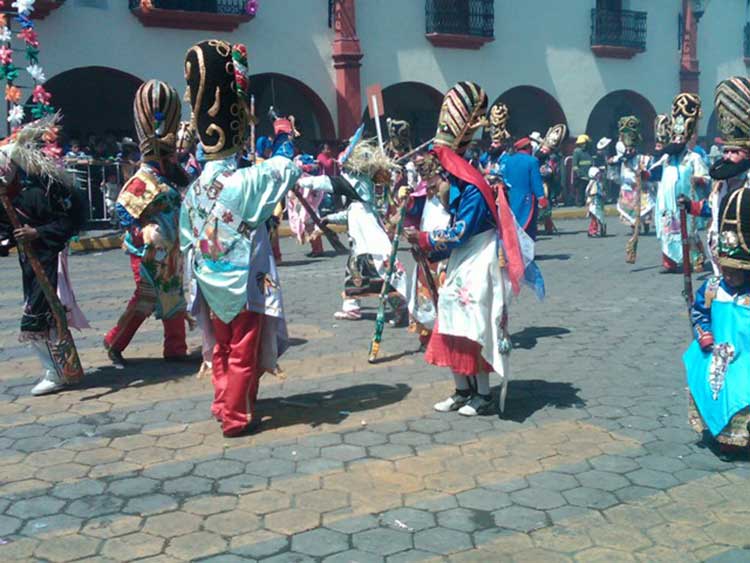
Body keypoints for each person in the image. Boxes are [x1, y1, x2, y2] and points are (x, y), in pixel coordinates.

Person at [180, 40, 302, 437]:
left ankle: (223, 403)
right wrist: (283, 135)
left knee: (220, 347)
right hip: (243, 284)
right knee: (243, 352)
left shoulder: (195, 188)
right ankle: (235, 417)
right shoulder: (244, 181)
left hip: (210, 280)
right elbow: (286, 169)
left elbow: (187, 243)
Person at [404, 81, 525, 417]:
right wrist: (426, 247)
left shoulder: (472, 189)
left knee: (475, 322)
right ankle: (461, 390)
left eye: (437, 178)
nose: (433, 185)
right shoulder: (458, 187)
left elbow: (460, 232)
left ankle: (483, 395)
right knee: (450, 317)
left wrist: (427, 241)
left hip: (480, 259)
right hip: (462, 260)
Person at [103, 80, 190, 368]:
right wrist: (142, 232)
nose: (176, 155)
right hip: (147, 253)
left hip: (171, 250)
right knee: (146, 299)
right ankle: (114, 342)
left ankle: (176, 349)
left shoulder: (167, 177)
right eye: (171, 153)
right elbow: (123, 209)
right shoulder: (144, 179)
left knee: (174, 297)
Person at [0, 116, 87, 395]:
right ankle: (64, 370)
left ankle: (56, 372)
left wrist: (36, 233)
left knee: (40, 316)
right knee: (42, 315)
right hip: (30, 263)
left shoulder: (39, 193)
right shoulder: (7, 199)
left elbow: (66, 223)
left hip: (48, 261)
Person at [297, 127, 408, 323]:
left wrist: (302, 182)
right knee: (354, 271)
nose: (344, 171)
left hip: (370, 241)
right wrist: (329, 218)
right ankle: (351, 307)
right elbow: (350, 214)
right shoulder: (359, 197)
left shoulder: (359, 185)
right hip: (360, 241)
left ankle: (400, 309)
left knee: (380, 271)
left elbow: (328, 183)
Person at [685, 187, 750, 460]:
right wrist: (705, 335)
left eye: (737, 271)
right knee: (712, 384)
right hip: (718, 353)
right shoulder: (712, 287)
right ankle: (722, 439)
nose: (730, 275)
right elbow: (699, 314)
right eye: (725, 269)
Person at [679, 77, 750, 275]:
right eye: (726, 151)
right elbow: (711, 207)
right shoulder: (722, 183)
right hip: (723, 265)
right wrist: (691, 206)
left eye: (735, 152)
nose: (727, 157)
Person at [651, 93, 709, 273]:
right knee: (668, 232)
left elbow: (706, 177)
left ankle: (695, 259)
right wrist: (645, 174)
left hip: (685, 201)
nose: (676, 143)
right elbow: (655, 171)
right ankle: (669, 262)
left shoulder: (694, 158)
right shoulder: (667, 157)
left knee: (689, 233)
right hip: (667, 203)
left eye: (679, 140)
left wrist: (698, 179)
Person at [615, 116, 654, 235]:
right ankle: (634, 227)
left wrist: (641, 174)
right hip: (628, 188)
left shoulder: (642, 158)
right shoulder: (621, 158)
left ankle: (646, 224)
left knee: (645, 208)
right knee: (630, 210)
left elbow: (648, 173)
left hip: (641, 187)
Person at [503, 136, 547, 240]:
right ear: (528, 148)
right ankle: (527, 252)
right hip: (528, 198)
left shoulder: (508, 160)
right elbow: (536, 181)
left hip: (512, 197)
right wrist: (541, 197)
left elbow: (505, 178)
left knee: (514, 223)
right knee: (529, 225)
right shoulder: (532, 161)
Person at [536, 124, 566, 234]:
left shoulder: (552, 157)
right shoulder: (538, 155)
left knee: (547, 205)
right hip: (539, 182)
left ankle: (548, 225)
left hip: (547, 183)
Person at [479, 101, 510, 184]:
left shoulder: (506, 158)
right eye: (492, 142)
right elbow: (480, 161)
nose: (492, 145)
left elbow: (502, 172)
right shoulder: (489, 155)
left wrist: (488, 171)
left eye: (495, 143)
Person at [571, 134, 593, 206]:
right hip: (581, 176)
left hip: (590, 175)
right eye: (580, 144)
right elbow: (574, 165)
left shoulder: (590, 151)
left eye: (583, 143)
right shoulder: (577, 152)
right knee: (581, 190)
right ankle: (580, 203)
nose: (582, 145)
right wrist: (579, 173)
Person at [586, 166, 606, 237]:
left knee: (598, 217)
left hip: (598, 202)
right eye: (597, 174)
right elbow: (589, 192)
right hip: (594, 202)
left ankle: (594, 230)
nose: (599, 175)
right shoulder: (592, 183)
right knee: (594, 218)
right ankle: (592, 231)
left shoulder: (599, 182)